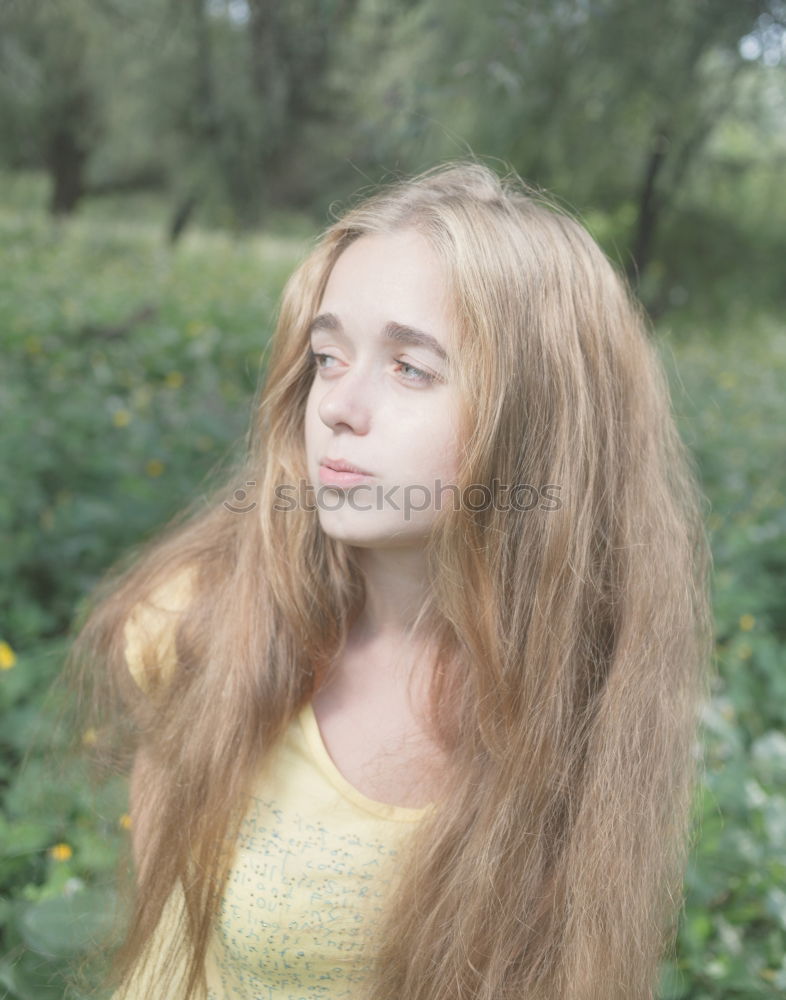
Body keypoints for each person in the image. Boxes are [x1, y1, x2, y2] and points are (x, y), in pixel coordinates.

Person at [66, 159, 713, 1000]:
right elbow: (164, 955)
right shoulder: (195, 627)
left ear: (540, 423)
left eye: (411, 368)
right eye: (328, 357)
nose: (338, 403)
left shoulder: (592, 699)